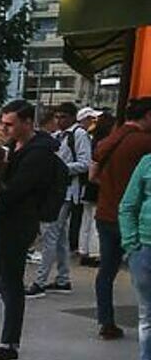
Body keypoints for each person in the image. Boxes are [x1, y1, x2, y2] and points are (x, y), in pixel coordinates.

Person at [0, 100, 60, 360]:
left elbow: (16, 189)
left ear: (27, 122)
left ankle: (9, 342)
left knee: (10, 281)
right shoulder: (13, 146)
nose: (5, 128)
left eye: (10, 123)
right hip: (3, 218)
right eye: (4, 122)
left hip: (19, 222)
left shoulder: (39, 152)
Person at [91, 96, 151, 341]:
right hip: (135, 218)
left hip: (106, 211)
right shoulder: (145, 143)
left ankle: (106, 320)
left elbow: (93, 172)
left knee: (106, 270)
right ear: (147, 115)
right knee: (143, 274)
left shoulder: (111, 140)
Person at [27, 102, 91, 298]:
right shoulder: (56, 136)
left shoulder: (78, 135)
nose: (59, 120)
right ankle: (62, 278)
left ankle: (40, 281)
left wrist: (60, 169)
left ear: (72, 117)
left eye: (63, 117)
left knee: (50, 234)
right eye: (57, 117)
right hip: (56, 190)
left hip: (66, 191)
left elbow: (85, 163)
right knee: (59, 235)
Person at [121, 152, 151, 360]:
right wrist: (132, 244)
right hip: (145, 249)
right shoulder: (147, 163)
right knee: (147, 315)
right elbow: (129, 204)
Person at [76, 107, 112, 266]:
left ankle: (83, 249)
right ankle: (95, 252)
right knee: (95, 220)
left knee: (86, 219)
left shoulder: (92, 140)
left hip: (88, 185)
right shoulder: (105, 143)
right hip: (99, 185)